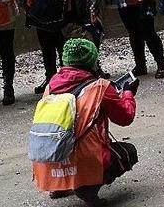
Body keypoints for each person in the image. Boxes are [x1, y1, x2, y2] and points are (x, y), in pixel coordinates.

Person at [32, 38, 139, 206]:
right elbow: (125, 117)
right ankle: (87, 188)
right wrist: (127, 94)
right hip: (84, 160)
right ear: (92, 61)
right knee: (129, 152)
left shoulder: (50, 87)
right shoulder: (100, 87)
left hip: (48, 160)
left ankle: (59, 186)